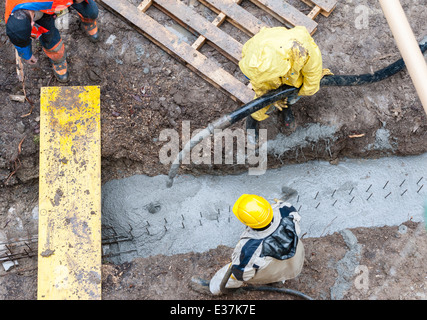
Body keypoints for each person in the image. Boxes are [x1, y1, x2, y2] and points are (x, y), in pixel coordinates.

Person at [191, 194, 305, 295]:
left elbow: (240, 275)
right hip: (294, 263)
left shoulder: (251, 248)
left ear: (247, 223)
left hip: (272, 269)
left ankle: (213, 288)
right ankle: (279, 280)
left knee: (228, 273)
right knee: (274, 265)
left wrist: (232, 276)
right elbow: (281, 204)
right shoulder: (286, 210)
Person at [239, 26, 325, 141]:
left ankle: (286, 106)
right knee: (262, 103)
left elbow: (313, 72)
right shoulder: (253, 63)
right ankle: (252, 120)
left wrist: (303, 91)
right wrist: (272, 97)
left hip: (294, 73)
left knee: (293, 92)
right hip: (270, 76)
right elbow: (260, 87)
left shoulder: (302, 48)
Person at [5, 0, 100, 83]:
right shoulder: (11, 14)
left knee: (91, 11)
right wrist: (27, 55)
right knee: (50, 40)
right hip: (41, 12)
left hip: (54, 3)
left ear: (32, 23)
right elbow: (18, 37)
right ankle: (58, 60)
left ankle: (88, 20)